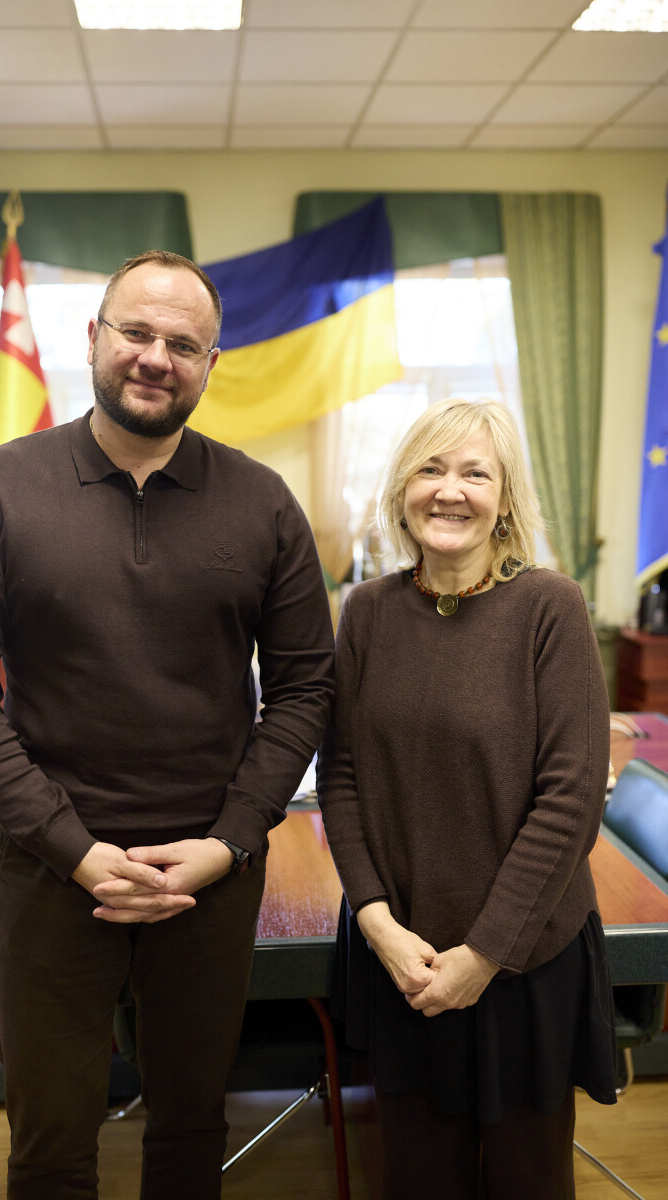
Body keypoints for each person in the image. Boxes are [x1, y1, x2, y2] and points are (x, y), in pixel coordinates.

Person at [0, 250, 335, 1200]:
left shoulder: (262, 502)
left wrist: (230, 842)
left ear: (211, 364)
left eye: (182, 344)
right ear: (93, 338)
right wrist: (73, 849)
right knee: (51, 1141)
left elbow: (307, 687)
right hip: (54, 870)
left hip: (209, 878)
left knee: (192, 1129)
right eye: (136, 333)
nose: (155, 357)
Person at [317, 397, 617, 1200]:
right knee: (417, 1178)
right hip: (403, 959)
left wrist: (483, 956)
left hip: (523, 962)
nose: (450, 491)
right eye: (431, 469)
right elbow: (339, 774)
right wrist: (377, 923)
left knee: (527, 1181)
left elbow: (570, 801)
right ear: (402, 491)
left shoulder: (550, 607)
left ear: (506, 499)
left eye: (475, 474)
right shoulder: (366, 612)